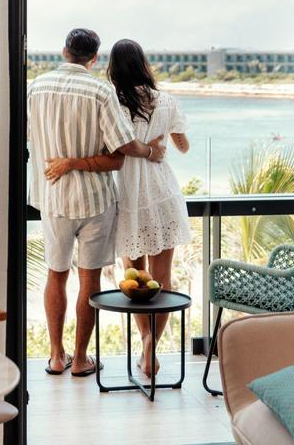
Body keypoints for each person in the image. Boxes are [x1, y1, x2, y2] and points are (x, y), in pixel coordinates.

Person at [44, 38, 191, 377]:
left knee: (135, 276)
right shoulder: (166, 101)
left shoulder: (113, 102)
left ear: (111, 67)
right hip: (162, 191)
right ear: (144, 65)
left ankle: (144, 339)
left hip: (125, 194)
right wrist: (164, 140)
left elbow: (111, 148)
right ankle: (151, 343)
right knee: (163, 275)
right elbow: (181, 146)